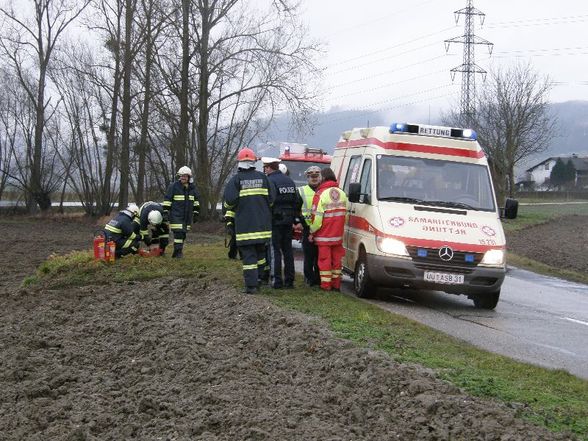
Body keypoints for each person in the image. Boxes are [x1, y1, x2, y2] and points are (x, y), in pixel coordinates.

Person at [223, 147, 274, 294]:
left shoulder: (236, 180)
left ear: (239, 163)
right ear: (253, 162)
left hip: (245, 228)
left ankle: (251, 286)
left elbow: (229, 202)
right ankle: (260, 279)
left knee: (249, 257)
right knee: (260, 254)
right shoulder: (264, 178)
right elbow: (271, 200)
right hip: (262, 226)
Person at [309, 167, 348, 291]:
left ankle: (325, 286)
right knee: (337, 262)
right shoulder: (342, 193)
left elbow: (317, 218)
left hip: (324, 235)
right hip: (338, 235)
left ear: (323, 178)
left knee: (325, 261)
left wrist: (312, 231)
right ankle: (336, 285)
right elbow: (345, 215)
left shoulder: (320, 194)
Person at [262, 157, 298, 289]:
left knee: (275, 250)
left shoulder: (269, 181)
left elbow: (268, 201)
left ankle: (276, 281)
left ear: (268, 167)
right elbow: (296, 201)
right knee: (288, 250)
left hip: (275, 220)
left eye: (265, 167)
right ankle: (289, 281)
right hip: (288, 221)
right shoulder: (289, 181)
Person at [162, 166, 200, 258]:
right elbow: (167, 200)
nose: (183, 178)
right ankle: (178, 252)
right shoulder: (173, 186)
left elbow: (196, 201)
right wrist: (166, 212)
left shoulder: (192, 188)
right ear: (179, 176)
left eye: (185, 176)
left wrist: (196, 213)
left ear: (189, 177)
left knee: (183, 234)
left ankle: (177, 252)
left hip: (187, 216)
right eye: (182, 176)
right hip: (176, 215)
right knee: (178, 233)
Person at [294, 165, 322, 287]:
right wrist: (298, 222)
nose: (314, 179)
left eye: (316, 176)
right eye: (312, 177)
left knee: (319, 256)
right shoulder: (301, 191)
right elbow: (295, 209)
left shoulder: (324, 191)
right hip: (307, 227)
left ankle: (317, 279)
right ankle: (309, 279)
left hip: (321, 228)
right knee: (309, 256)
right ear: (307, 177)